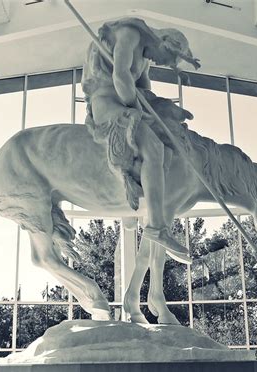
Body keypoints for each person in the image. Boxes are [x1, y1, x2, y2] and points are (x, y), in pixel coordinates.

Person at [81, 18, 200, 264]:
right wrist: (139, 111)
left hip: (127, 100)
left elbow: (144, 90)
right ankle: (157, 227)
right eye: (165, 59)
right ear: (165, 44)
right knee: (154, 148)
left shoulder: (145, 56)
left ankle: (155, 202)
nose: (159, 62)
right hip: (107, 101)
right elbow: (121, 77)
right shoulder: (128, 34)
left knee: (168, 142)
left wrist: (166, 109)